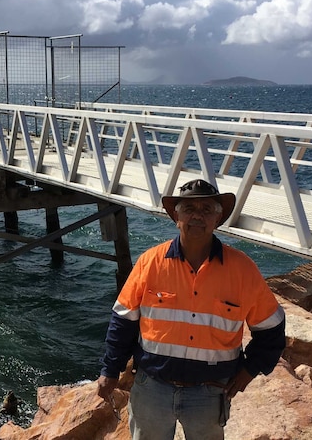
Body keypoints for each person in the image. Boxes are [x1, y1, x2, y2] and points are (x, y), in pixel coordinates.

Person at [96, 179, 286, 440]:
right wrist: (110, 370)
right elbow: (123, 321)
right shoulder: (150, 262)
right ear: (176, 216)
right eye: (189, 208)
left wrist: (250, 370)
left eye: (207, 209)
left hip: (209, 393)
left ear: (217, 219)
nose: (198, 215)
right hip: (152, 388)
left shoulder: (243, 270)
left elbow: (271, 328)